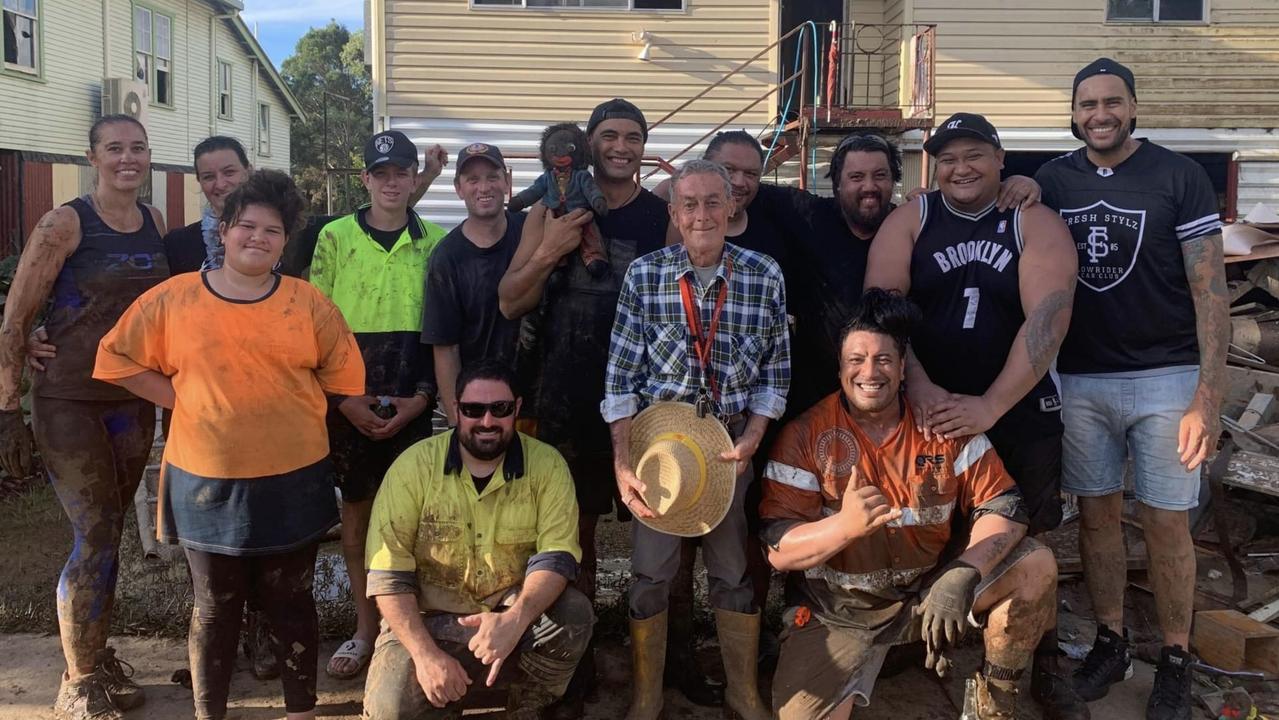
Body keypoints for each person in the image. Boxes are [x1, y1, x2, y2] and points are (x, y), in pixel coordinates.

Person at [93, 170, 366, 720]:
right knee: (215, 607)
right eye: (246, 225)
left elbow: (342, 378)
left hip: (294, 477)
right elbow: (115, 360)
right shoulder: (174, 300)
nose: (257, 238)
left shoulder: (309, 305)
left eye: (272, 229)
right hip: (206, 483)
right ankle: (208, 712)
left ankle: (300, 711)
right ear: (222, 229)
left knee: (291, 602)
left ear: (286, 240)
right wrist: (180, 395)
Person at [864, 112, 1085, 719]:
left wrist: (991, 404)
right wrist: (922, 389)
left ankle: (1030, 665)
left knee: (1027, 540)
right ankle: (924, 639)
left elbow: (1050, 318)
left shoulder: (1032, 220)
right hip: (928, 409)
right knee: (929, 524)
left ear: (999, 157)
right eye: (949, 158)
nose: (961, 168)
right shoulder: (913, 218)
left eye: (975, 156)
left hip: (1015, 410)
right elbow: (882, 309)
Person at [762, 288, 1061, 720]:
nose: (871, 372)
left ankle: (995, 704)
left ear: (903, 369)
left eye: (884, 360)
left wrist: (961, 575)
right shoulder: (805, 435)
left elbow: (1005, 507)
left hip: (927, 599)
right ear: (840, 368)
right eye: (857, 360)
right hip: (839, 614)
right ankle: (872, 662)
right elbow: (778, 551)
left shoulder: (941, 425)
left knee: (1037, 565)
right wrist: (844, 527)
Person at [1034, 58, 1228, 720]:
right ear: (1072, 113)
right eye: (1086, 103)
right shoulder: (1052, 181)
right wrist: (1014, 193)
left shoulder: (1178, 176)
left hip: (1164, 376)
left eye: (1111, 102)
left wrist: (1208, 394)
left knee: (1166, 521)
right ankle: (1110, 639)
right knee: (1093, 516)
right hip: (1082, 376)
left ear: (1133, 107)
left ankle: (1174, 656)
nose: (1099, 114)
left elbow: (1210, 293)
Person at [497, 98, 673, 717]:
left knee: (662, 538)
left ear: (643, 147)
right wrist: (551, 247)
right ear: (588, 143)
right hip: (565, 396)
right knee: (572, 539)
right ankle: (576, 665)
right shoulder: (549, 206)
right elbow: (511, 301)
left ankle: (660, 665)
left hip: (644, 401)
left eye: (632, 136)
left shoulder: (662, 215)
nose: (619, 146)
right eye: (608, 135)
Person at [602, 158, 789, 720]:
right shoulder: (645, 275)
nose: (702, 214)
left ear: (732, 206)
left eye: (714, 201)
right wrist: (621, 460)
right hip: (660, 448)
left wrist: (755, 435)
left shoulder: (763, 274)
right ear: (674, 213)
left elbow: (775, 372)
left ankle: (741, 692)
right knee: (649, 575)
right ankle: (646, 694)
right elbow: (620, 376)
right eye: (690, 204)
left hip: (731, 446)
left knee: (733, 573)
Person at [0, 115, 169, 720]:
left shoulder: (153, 222)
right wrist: (6, 409)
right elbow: (17, 320)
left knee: (109, 535)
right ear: (92, 156)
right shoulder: (64, 222)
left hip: (130, 403)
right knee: (93, 533)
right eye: (115, 148)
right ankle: (76, 682)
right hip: (68, 401)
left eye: (138, 148)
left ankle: (95, 658)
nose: (128, 158)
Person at [361, 360, 592, 719]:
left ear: (516, 409)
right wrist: (425, 655)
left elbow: (557, 556)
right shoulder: (413, 467)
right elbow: (387, 575)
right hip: (429, 622)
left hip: (510, 616)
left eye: (499, 409)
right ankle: (444, 688)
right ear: (455, 410)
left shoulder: (547, 466)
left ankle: (527, 704)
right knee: (389, 710)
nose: (486, 421)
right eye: (473, 410)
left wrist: (514, 620)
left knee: (573, 614)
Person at [309, 129, 447, 680]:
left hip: (412, 397)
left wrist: (421, 400)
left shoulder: (436, 241)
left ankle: (410, 629)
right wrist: (344, 401)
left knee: (417, 518)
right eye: (381, 173)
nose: (392, 183)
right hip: (349, 399)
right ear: (364, 179)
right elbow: (314, 325)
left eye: (402, 173)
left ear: (415, 178)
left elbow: (443, 333)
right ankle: (366, 630)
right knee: (357, 518)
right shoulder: (334, 238)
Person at [422, 143, 526, 425]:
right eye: (473, 180)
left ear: (506, 181)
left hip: (534, 399)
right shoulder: (447, 257)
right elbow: (445, 347)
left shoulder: (531, 231)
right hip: (483, 407)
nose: (484, 187)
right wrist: (459, 420)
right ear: (459, 188)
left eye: (492, 177)